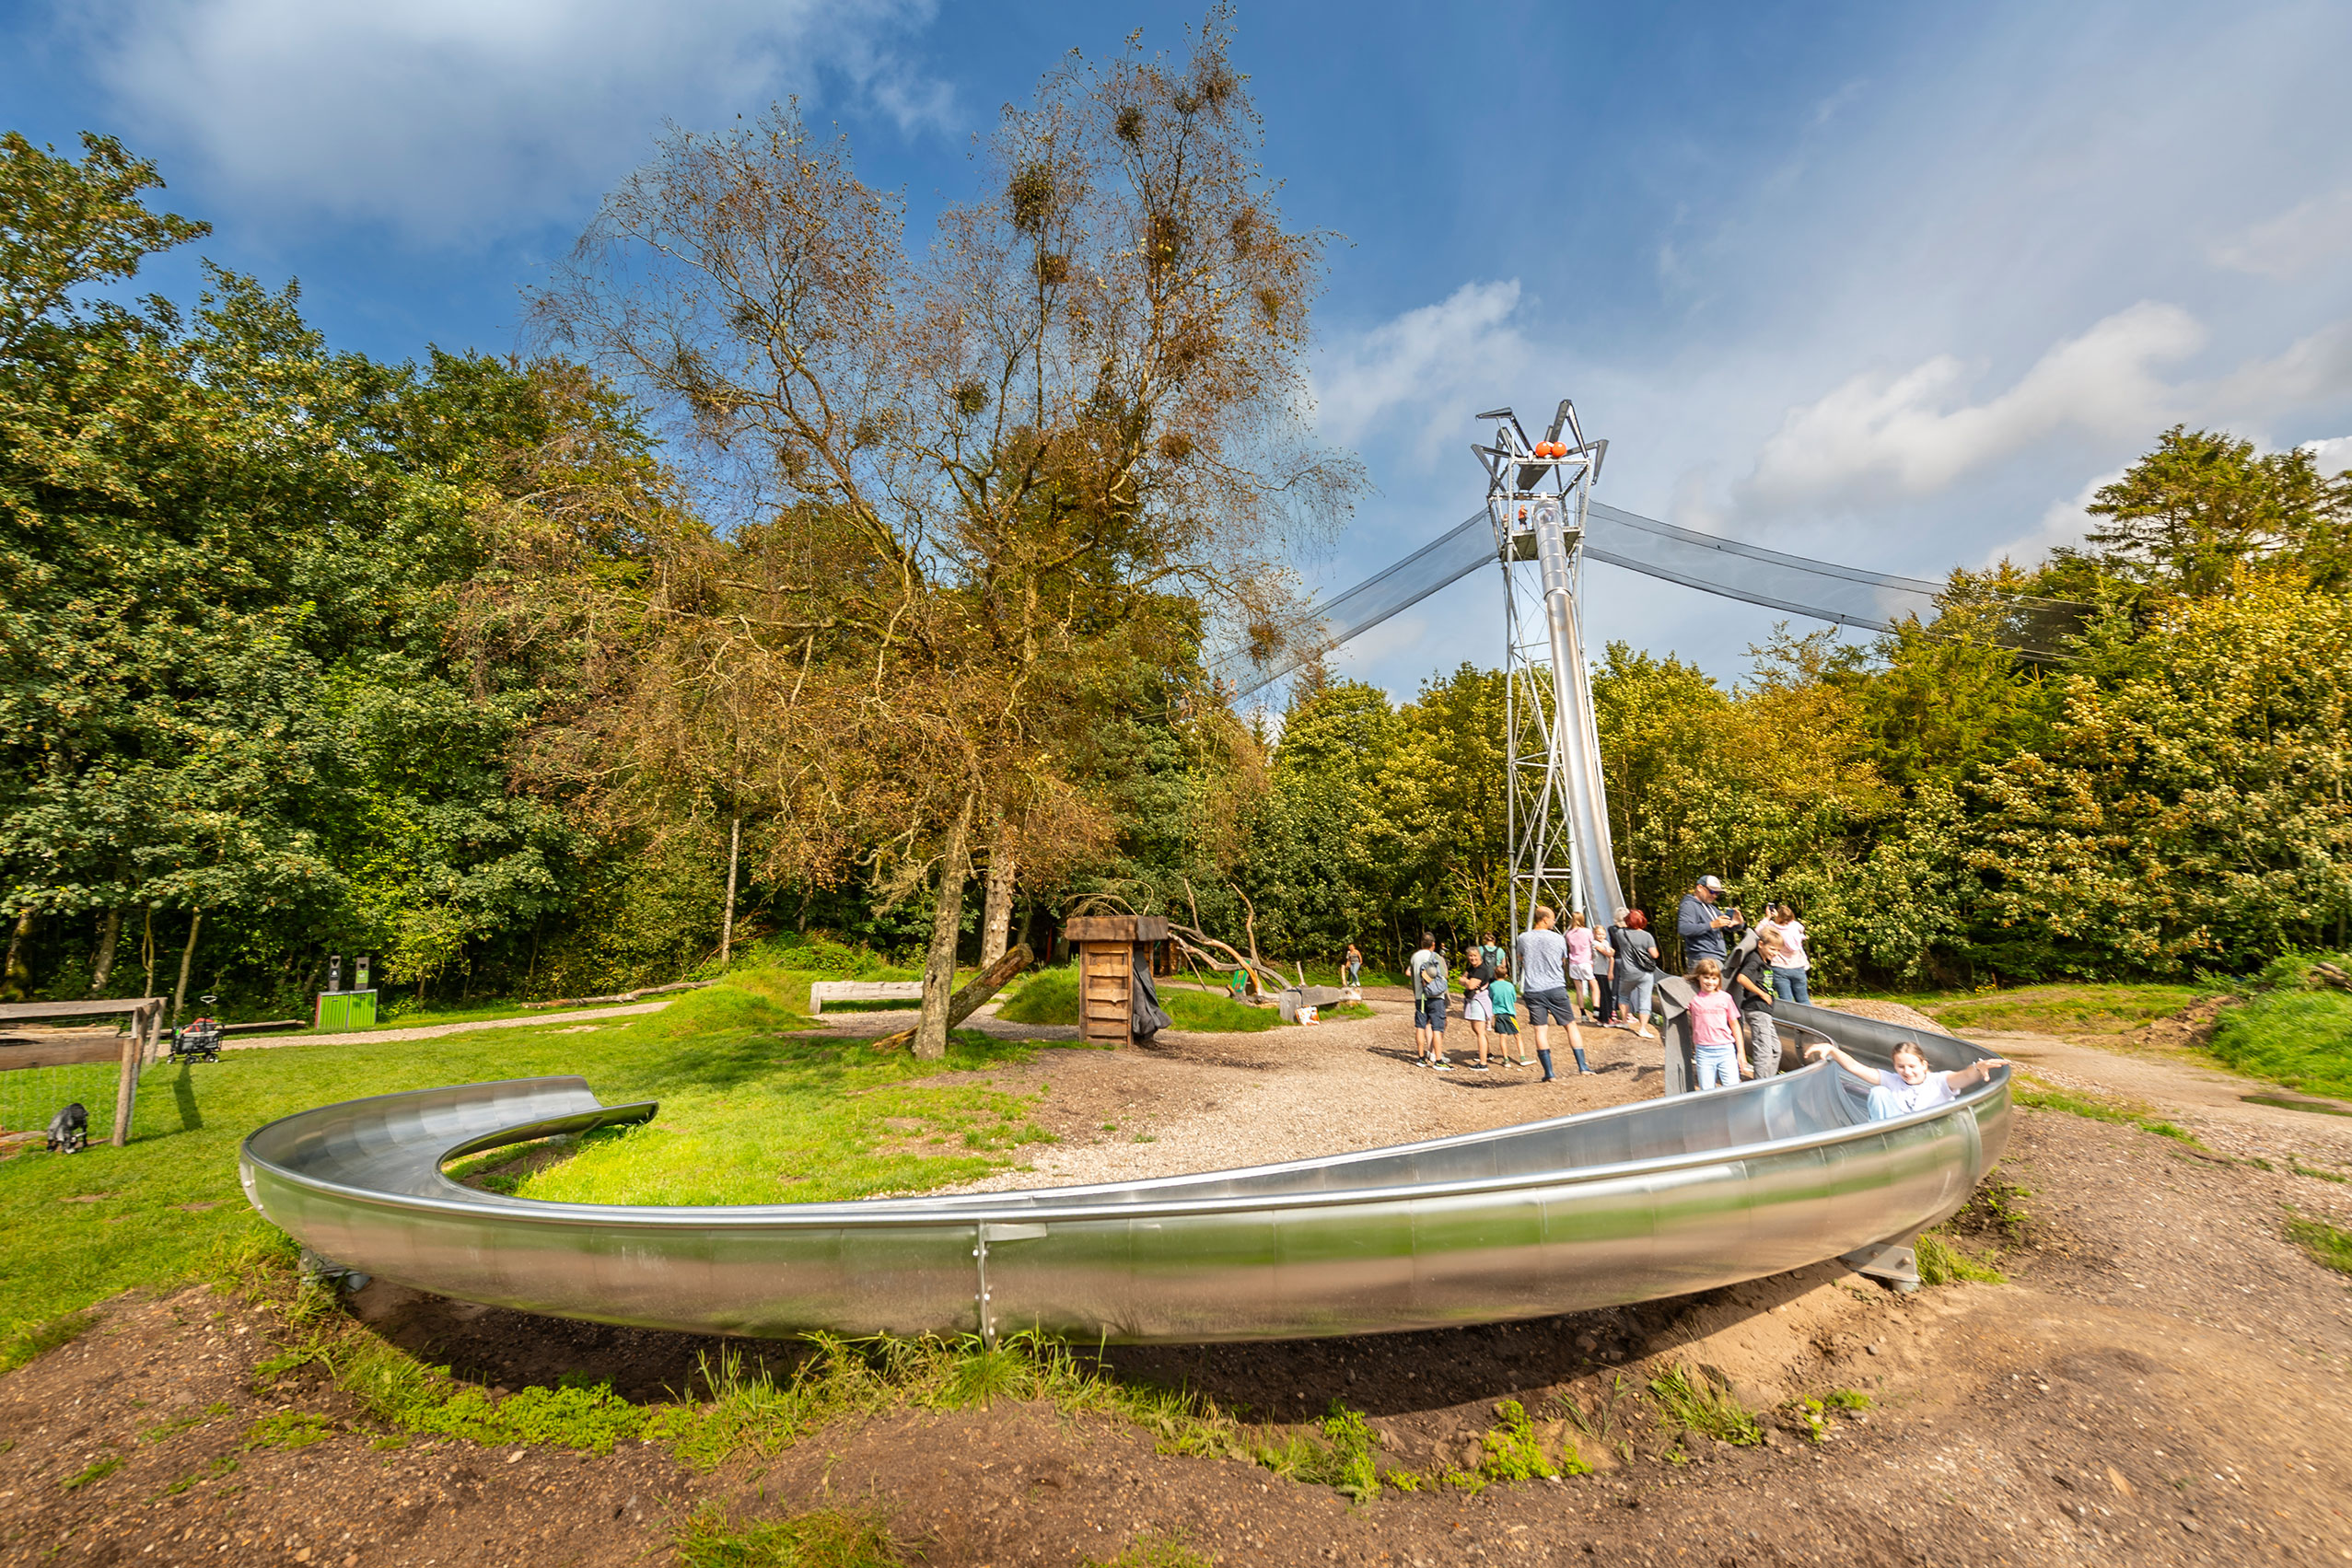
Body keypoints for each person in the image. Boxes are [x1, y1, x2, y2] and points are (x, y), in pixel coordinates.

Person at [1805, 1038, 2009, 1119]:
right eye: (1901, 1066)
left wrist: (1977, 1068)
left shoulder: (1939, 1081)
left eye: (1912, 1066)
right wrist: (1832, 1049)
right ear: (1894, 1067)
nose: (1907, 1071)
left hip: (1931, 1132)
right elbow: (1856, 1068)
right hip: (1899, 1133)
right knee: (1878, 1092)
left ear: (1924, 1065)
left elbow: (1964, 1077)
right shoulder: (1892, 1080)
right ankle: (1878, 1139)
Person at [1513, 905, 1590, 1079]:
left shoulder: (1523, 937)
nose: (1554, 922)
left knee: (1540, 1030)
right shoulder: (1558, 938)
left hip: (1533, 989)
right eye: (1553, 919)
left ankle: (1549, 1073)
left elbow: (1520, 958)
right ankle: (1583, 1067)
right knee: (1570, 1025)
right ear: (1545, 919)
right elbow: (1563, 959)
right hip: (1555, 987)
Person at [1684, 958, 1745, 1090]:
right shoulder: (1693, 998)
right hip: (1704, 1051)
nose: (1710, 982)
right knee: (1706, 1090)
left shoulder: (1725, 998)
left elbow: (1735, 1025)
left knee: (1732, 1088)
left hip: (1726, 1049)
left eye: (1714, 978)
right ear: (1698, 978)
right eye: (1706, 977)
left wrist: (1741, 1052)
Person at [1731, 930, 1783, 1079]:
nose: (1775, 953)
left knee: (1775, 1049)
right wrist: (1762, 994)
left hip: (1765, 1011)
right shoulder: (1755, 959)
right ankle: (1761, 1085)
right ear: (1761, 945)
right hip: (1756, 1009)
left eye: (1778, 950)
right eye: (1772, 949)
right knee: (1764, 1051)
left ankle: (1768, 1080)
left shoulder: (1764, 960)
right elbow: (1742, 978)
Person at [1612, 909, 1662, 1040]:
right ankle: (1643, 1029)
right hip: (1645, 973)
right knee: (1645, 1000)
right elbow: (1655, 955)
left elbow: (1618, 925)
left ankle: (1624, 1022)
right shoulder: (1647, 936)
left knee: (1623, 996)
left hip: (1627, 973)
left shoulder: (1621, 934)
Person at [1676, 876, 1742, 969]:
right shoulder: (1689, 905)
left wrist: (1738, 923)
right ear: (1699, 888)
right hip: (1701, 959)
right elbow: (1684, 928)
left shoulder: (1712, 908)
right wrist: (1711, 925)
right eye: (1712, 891)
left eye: (1717, 893)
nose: (1714, 895)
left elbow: (1727, 926)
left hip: (1717, 958)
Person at [1408, 932, 1451, 1070]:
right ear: (1433, 944)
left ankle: (1421, 1058)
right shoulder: (1436, 956)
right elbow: (1445, 975)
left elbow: (1410, 975)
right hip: (1436, 997)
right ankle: (1438, 1060)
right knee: (1437, 1028)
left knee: (1420, 1026)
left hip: (1419, 997)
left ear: (1421, 943)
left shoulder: (1414, 957)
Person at [1460, 942, 1498, 1069]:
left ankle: (1483, 1063)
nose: (1473, 958)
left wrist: (1467, 982)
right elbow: (1462, 980)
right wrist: (1467, 981)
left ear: (1480, 956)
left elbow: (1470, 985)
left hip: (1479, 1001)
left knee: (1480, 1031)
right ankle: (1487, 1054)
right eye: (1470, 956)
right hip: (1473, 1000)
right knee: (1477, 1030)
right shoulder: (1471, 968)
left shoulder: (1481, 969)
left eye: (1475, 956)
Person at [1488, 958, 1531, 1067]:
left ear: (1495, 975)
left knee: (1502, 1037)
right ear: (1506, 975)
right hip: (1510, 1013)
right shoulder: (1510, 986)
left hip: (1498, 1014)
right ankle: (1522, 1057)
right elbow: (1514, 999)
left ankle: (1506, 1059)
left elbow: (1490, 998)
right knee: (1517, 1035)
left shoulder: (1492, 986)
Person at [1767, 905, 1811, 1004]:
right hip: (1798, 966)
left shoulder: (1772, 927)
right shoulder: (1795, 926)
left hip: (1779, 967)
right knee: (1803, 999)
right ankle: (1808, 1018)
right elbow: (1801, 927)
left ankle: (1790, 1019)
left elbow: (1758, 931)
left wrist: (1768, 917)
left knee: (1787, 1001)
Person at [1566, 912, 1600, 1019]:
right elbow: (1592, 944)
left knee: (1579, 990)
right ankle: (1596, 1009)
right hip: (1585, 962)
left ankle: (1583, 1014)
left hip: (1574, 963)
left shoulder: (1569, 934)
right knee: (1595, 986)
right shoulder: (1587, 932)